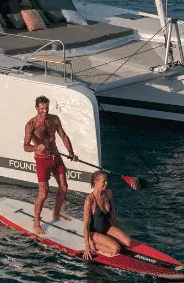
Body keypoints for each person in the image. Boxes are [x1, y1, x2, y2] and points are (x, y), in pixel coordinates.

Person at [23, 95, 77, 236]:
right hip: (42, 160)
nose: (45, 111)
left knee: (64, 187)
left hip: (56, 156)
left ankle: (56, 214)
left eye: (47, 108)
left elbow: (63, 136)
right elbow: (25, 146)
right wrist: (35, 147)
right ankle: (36, 222)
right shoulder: (31, 124)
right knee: (43, 193)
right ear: (36, 108)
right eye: (42, 109)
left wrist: (71, 152)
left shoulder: (54, 119)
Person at [82, 171, 133, 260]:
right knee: (116, 248)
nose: (106, 183)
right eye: (104, 181)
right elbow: (85, 225)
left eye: (107, 181)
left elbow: (112, 215)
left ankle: (108, 241)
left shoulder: (109, 194)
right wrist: (87, 247)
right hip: (94, 233)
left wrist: (118, 235)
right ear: (96, 182)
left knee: (128, 242)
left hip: (107, 228)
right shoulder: (90, 200)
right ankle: (93, 244)